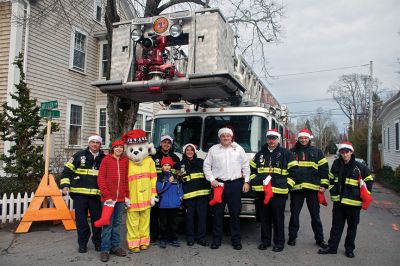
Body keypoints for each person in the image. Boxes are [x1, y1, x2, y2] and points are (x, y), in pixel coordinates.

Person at [319, 141, 373, 258]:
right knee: (336, 226)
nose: (344, 154)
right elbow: (331, 179)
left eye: (347, 152)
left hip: (354, 204)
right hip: (339, 202)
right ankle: (332, 247)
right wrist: (332, 190)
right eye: (342, 152)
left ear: (351, 152)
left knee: (352, 227)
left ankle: (349, 249)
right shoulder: (336, 164)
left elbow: (369, 181)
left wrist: (362, 194)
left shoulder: (360, 167)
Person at [249, 129, 298, 252]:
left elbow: (294, 173)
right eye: (269, 138)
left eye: (274, 138)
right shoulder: (259, 154)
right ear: (267, 139)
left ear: (278, 139)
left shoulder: (287, 154)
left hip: (279, 193)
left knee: (278, 218)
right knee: (264, 218)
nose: (271, 140)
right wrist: (255, 181)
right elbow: (251, 170)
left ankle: (279, 243)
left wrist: (287, 186)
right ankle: (265, 241)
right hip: (262, 192)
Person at [203, 127, 250, 250]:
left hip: (235, 185)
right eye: (223, 136)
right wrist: (212, 179)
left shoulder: (239, 149)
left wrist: (246, 181)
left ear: (231, 137)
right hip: (219, 186)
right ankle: (216, 240)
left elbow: (246, 166)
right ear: (219, 138)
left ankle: (236, 240)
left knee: (235, 214)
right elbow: (206, 166)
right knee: (217, 214)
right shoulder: (213, 150)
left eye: (228, 136)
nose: (226, 138)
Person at [60, 134, 106, 253]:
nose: (95, 144)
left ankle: (97, 243)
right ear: (89, 143)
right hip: (79, 195)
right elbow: (66, 171)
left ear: (100, 145)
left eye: (97, 143)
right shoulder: (79, 155)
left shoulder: (104, 158)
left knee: (97, 221)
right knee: (81, 222)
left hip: (96, 196)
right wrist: (65, 185)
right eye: (93, 142)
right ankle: (82, 244)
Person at [287, 128, 329, 248]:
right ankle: (292, 238)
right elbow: (288, 170)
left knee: (315, 216)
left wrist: (324, 185)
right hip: (297, 190)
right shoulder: (292, 152)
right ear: (298, 139)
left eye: (305, 138)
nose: (303, 140)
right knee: (294, 215)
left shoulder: (317, 152)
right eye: (301, 138)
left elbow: (324, 170)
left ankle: (320, 239)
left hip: (313, 190)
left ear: (309, 138)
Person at [96, 139, 129, 262]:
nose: (119, 149)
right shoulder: (106, 160)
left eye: (121, 147)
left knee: (117, 224)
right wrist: (106, 194)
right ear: (113, 149)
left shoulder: (125, 161)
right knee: (107, 224)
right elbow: (101, 178)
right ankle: (105, 249)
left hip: (120, 198)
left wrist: (127, 195)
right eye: (116, 147)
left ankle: (115, 246)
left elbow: (126, 179)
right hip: (108, 199)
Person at [177, 143, 211, 246]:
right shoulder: (180, 165)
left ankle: (201, 238)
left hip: (202, 195)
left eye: (191, 150)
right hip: (189, 196)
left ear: (194, 152)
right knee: (189, 217)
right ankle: (190, 238)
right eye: (187, 150)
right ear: (184, 151)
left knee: (202, 217)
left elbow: (209, 173)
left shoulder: (201, 162)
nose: (190, 152)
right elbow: (178, 178)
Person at [150, 135, 180, 243]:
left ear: (171, 145)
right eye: (164, 142)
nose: (166, 144)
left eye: (168, 143)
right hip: (155, 187)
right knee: (154, 213)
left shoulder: (175, 158)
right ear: (161, 143)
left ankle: (167, 236)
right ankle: (154, 234)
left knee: (167, 216)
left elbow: (179, 172)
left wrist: (174, 177)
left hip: (168, 190)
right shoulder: (154, 156)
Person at [156, 156, 184, 248]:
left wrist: (180, 199)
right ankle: (163, 239)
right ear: (162, 167)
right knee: (163, 224)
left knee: (173, 223)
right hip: (163, 205)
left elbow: (180, 189)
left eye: (169, 165)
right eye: (165, 165)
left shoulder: (176, 176)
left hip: (174, 204)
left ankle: (173, 239)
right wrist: (168, 181)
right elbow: (159, 189)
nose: (167, 167)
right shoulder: (160, 176)